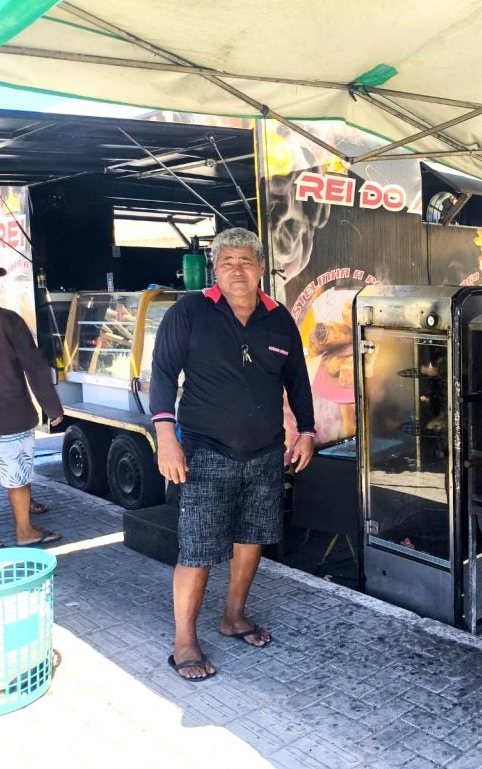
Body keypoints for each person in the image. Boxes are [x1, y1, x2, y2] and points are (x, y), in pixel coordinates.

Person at [149, 228, 315, 682]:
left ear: (261, 267)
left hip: (266, 452)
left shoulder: (278, 318)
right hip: (204, 451)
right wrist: (166, 437)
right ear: (215, 268)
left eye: (246, 261)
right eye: (227, 261)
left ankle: (233, 616)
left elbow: (297, 380)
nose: (237, 270)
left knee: (252, 537)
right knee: (198, 548)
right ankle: (185, 641)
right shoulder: (189, 312)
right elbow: (162, 373)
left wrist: (306, 431)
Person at [0, 259, 63, 550]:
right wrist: (52, 407)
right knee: (17, 479)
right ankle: (25, 531)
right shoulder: (7, 320)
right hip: (7, 417)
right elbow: (34, 366)